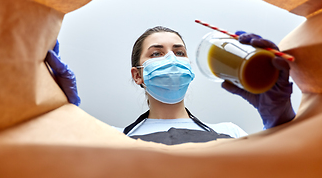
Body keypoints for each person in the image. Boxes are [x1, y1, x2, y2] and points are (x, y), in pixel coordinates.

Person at [45, 26, 295, 145]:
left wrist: (280, 121)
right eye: (156, 54)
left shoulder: (232, 133)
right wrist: (59, 115)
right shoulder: (111, 137)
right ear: (137, 75)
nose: (171, 60)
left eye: (179, 52)